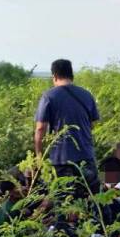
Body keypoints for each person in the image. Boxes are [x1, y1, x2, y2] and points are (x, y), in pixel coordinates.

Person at [34, 59, 100, 197]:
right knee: (91, 201)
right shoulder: (87, 95)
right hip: (87, 157)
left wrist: (39, 157)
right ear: (72, 75)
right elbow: (92, 124)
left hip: (61, 160)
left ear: (55, 76)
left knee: (65, 203)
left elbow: (40, 128)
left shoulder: (49, 96)